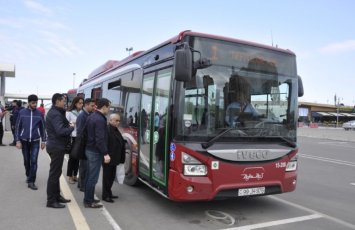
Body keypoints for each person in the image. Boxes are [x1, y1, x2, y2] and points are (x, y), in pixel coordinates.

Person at [45, 93, 74, 208]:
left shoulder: (55, 112)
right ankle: (51, 200)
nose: (65, 103)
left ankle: (56, 196)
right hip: (56, 146)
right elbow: (60, 131)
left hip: (55, 146)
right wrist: (71, 127)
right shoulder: (56, 114)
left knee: (56, 173)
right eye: (63, 101)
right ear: (57, 101)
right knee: (54, 174)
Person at [15, 94, 47, 190]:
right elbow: (17, 127)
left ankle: (31, 181)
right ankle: (29, 175)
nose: (35, 104)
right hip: (24, 141)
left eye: (36, 103)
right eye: (33, 103)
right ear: (29, 102)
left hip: (35, 141)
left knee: (33, 161)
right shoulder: (22, 112)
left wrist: (44, 141)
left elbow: (43, 128)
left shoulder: (39, 113)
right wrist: (17, 140)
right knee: (26, 161)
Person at [84, 98, 111, 208]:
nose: (109, 109)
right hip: (95, 152)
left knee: (89, 176)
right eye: (108, 107)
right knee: (93, 178)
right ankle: (89, 201)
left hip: (89, 149)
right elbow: (100, 139)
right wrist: (105, 153)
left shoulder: (91, 116)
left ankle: (88, 198)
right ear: (104, 107)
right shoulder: (100, 119)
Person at [102, 113, 125, 203]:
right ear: (110, 120)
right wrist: (106, 155)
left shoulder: (115, 129)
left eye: (119, 120)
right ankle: (105, 195)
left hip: (115, 158)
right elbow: (105, 143)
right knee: (107, 177)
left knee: (111, 177)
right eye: (116, 120)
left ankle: (109, 192)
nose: (118, 122)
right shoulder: (107, 130)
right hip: (109, 158)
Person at [76, 98, 95, 192]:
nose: (93, 107)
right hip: (83, 145)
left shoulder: (89, 114)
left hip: (87, 144)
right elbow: (79, 132)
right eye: (92, 105)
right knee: (84, 166)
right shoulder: (82, 116)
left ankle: (81, 183)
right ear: (86, 105)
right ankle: (82, 185)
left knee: (86, 166)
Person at [66, 96, 84, 184]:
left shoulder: (82, 112)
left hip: (80, 136)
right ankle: (69, 176)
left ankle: (75, 175)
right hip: (72, 136)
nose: (81, 105)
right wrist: (74, 123)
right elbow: (66, 123)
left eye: (82, 103)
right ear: (75, 103)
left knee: (78, 157)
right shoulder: (69, 112)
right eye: (79, 103)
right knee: (72, 157)